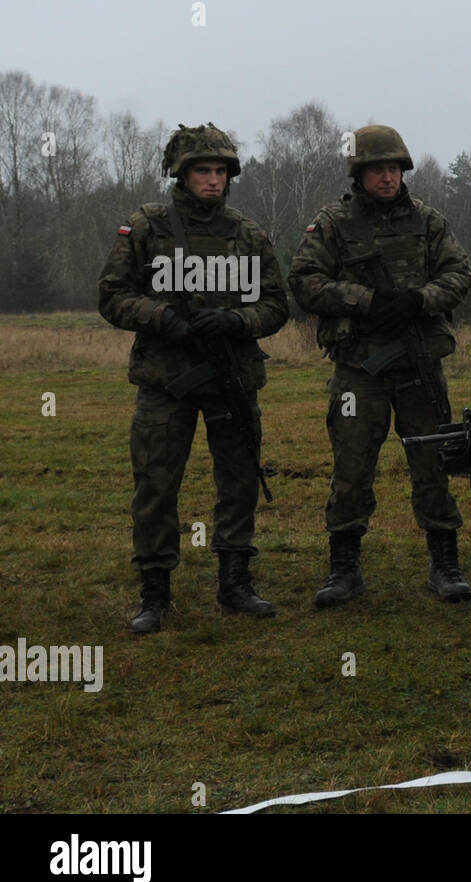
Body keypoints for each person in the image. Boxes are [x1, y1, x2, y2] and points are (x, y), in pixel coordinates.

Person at [98, 122, 289, 633]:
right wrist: (162, 319)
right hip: (166, 380)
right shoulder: (146, 228)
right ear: (180, 175)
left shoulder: (248, 235)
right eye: (202, 170)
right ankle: (155, 592)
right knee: (156, 484)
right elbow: (112, 296)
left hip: (232, 377)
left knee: (239, 480)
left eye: (221, 170)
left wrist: (236, 321)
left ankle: (235, 583)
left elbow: (276, 305)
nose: (213, 179)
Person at [290, 125, 471, 609]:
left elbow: (459, 274)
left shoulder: (429, 222)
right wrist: (366, 301)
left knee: (433, 464)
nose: (388, 177)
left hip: (419, 366)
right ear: (360, 173)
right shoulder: (333, 223)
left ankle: (445, 564)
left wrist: (417, 300)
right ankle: (344, 568)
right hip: (360, 369)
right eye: (378, 169)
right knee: (352, 469)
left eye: (394, 168)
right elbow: (304, 281)